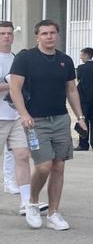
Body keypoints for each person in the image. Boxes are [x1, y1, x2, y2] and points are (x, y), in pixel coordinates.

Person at [8, 19, 86, 231]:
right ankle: (32, 203)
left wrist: (80, 116)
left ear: (57, 35)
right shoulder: (26, 58)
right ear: (37, 37)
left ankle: (53, 212)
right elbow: (15, 88)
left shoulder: (65, 61)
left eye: (52, 33)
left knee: (59, 166)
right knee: (43, 166)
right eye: (44, 33)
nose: (49, 36)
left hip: (60, 119)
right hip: (35, 121)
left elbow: (71, 90)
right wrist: (23, 114)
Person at [0, 22, 46, 217]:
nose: (6, 37)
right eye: (2, 33)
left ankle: (26, 202)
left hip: (17, 115)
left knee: (22, 156)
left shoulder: (17, 58)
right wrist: (11, 86)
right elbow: (14, 85)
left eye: (9, 33)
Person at [75, 47, 93, 151]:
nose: (80, 57)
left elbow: (79, 80)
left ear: (87, 55)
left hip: (84, 98)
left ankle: (83, 144)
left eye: (81, 55)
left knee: (83, 121)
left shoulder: (81, 68)